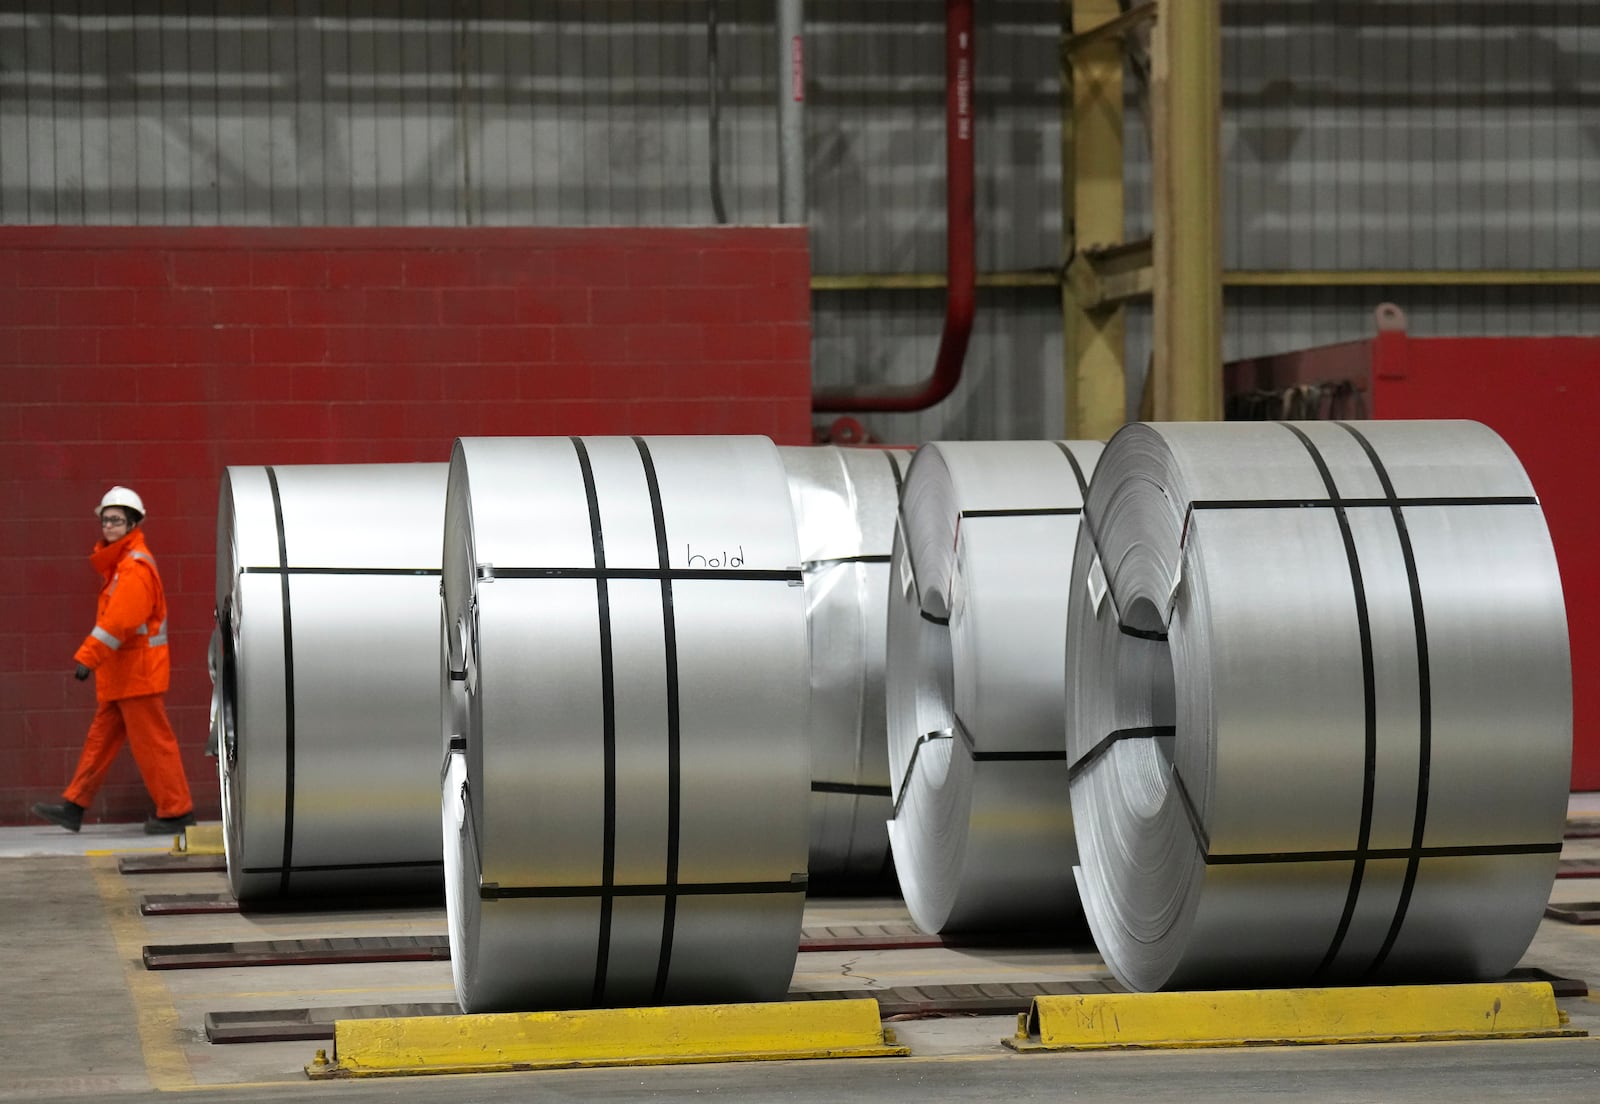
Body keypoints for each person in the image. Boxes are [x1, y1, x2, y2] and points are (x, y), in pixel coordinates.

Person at [31, 487, 197, 835]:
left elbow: (118, 623)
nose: (109, 526)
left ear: (132, 523)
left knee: (153, 746)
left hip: (137, 676)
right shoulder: (121, 565)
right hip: (124, 677)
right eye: (106, 519)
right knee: (99, 743)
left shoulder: (134, 568)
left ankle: (177, 812)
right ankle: (74, 806)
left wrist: (88, 657)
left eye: (117, 520)